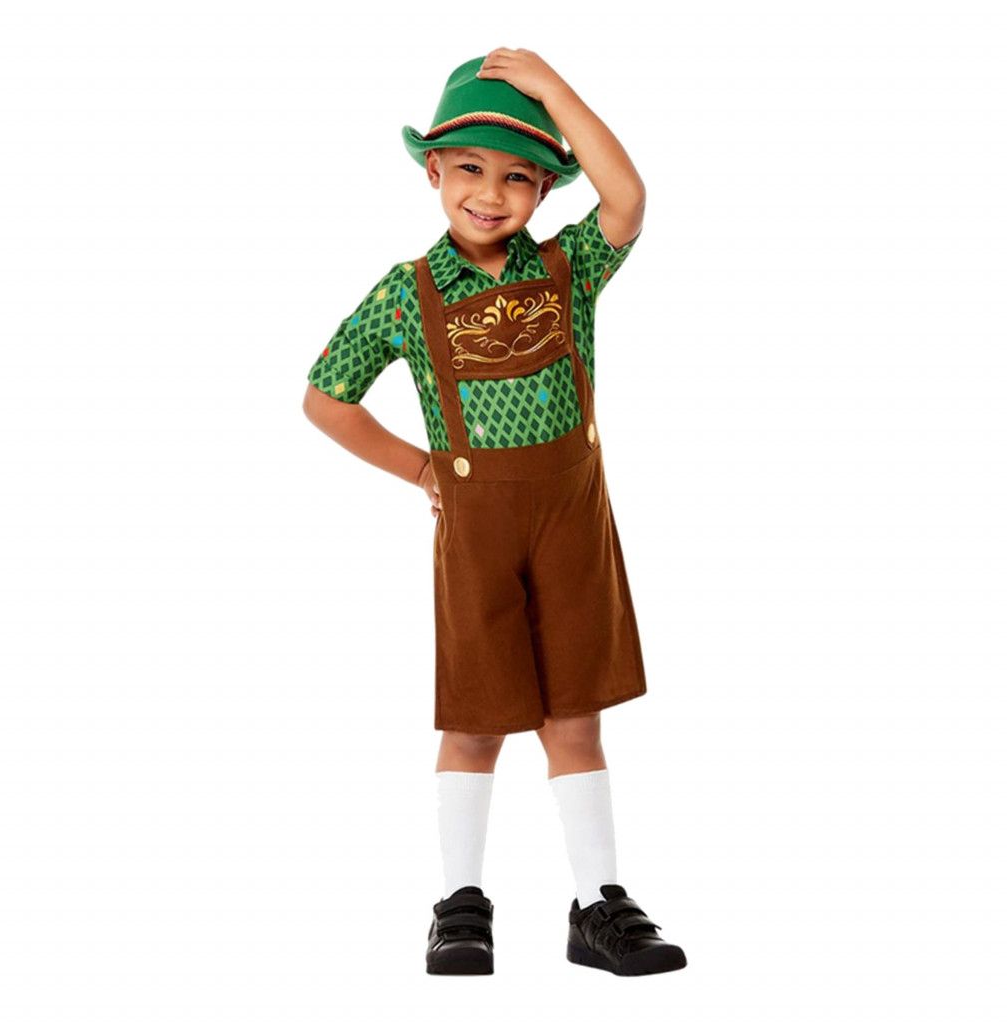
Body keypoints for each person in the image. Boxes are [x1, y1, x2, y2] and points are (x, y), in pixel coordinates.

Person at [302, 49, 687, 977]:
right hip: (476, 530)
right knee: (476, 719)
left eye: (519, 176)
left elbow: (628, 200)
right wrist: (420, 469)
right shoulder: (408, 292)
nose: (490, 192)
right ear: (433, 170)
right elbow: (326, 397)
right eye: (470, 167)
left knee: (575, 716)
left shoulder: (570, 267)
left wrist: (556, 91)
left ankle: (598, 903)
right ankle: (460, 904)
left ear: (546, 190)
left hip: (572, 518)